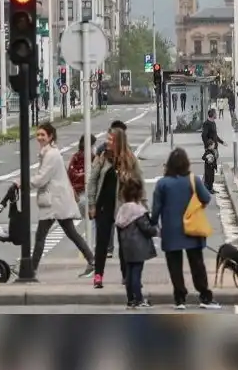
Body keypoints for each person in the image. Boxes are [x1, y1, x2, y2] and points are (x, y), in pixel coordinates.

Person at [15, 123, 95, 277]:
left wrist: (22, 183)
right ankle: (92, 260)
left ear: (50, 136)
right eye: (38, 135)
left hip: (54, 202)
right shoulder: (49, 153)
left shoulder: (51, 155)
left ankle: (31, 269)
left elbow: (41, 179)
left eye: (43, 135)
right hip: (57, 200)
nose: (39, 138)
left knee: (41, 236)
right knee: (70, 233)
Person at [150, 148, 222, 310]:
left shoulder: (162, 183)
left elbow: (155, 210)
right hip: (192, 227)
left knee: (174, 265)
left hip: (170, 230)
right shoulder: (193, 180)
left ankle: (180, 298)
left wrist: (154, 224)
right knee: (197, 263)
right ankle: (204, 295)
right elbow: (206, 198)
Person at [86, 127, 144, 289]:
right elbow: (92, 181)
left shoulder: (129, 159)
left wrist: (142, 206)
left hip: (123, 207)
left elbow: (139, 183)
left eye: (111, 140)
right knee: (102, 242)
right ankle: (98, 276)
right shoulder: (102, 157)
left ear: (119, 141)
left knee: (124, 243)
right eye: (107, 139)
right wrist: (91, 204)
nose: (107, 142)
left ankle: (126, 276)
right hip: (103, 206)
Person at [115, 176, 158, 309]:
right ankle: (138, 299)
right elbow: (146, 228)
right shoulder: (138, 211)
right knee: (136, 274)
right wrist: (155, 231)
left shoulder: (122, 210)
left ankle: (130, 299)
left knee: (129, 273)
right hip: (138, 247)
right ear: (139, 193)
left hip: (126, 247)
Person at [95, 120, 128, 258]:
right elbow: (94, 175)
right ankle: (106, 249)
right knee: (106, 224)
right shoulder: (102, 151)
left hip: (121, 195)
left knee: (121, 224)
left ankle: (121, 251)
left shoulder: (127, 153)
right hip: (105, 196)